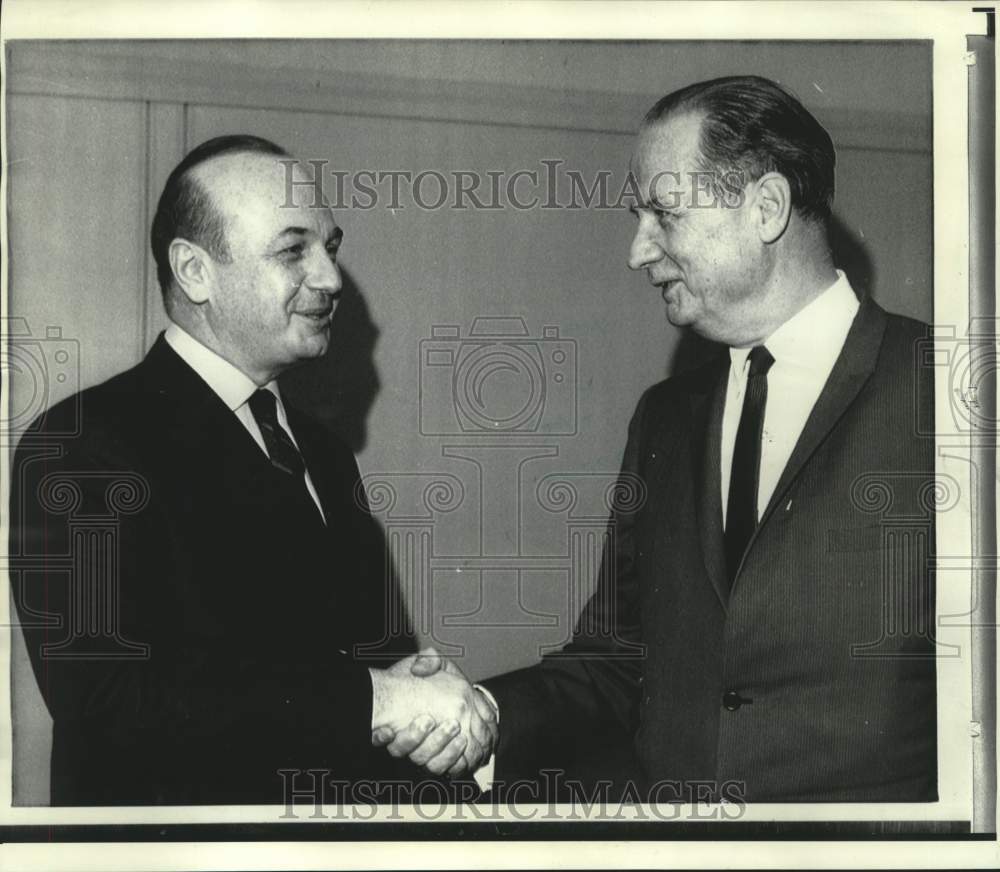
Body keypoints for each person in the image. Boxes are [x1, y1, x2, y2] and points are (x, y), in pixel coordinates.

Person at [378, 76, 937, 803]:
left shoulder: (947, 392)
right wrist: (486, 718)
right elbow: (618, 660)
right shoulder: (664, 419)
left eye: (663, 214)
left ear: (765, 208)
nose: (637, 252)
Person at [10, 135, 495, 805]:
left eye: (331, 246)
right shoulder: (80, 443)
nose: (330, 278)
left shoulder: (321, 451)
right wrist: (378, 699)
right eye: (293, 250)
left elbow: (348, 669)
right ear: (195, 270)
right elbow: (107, 700)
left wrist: (420, 707)